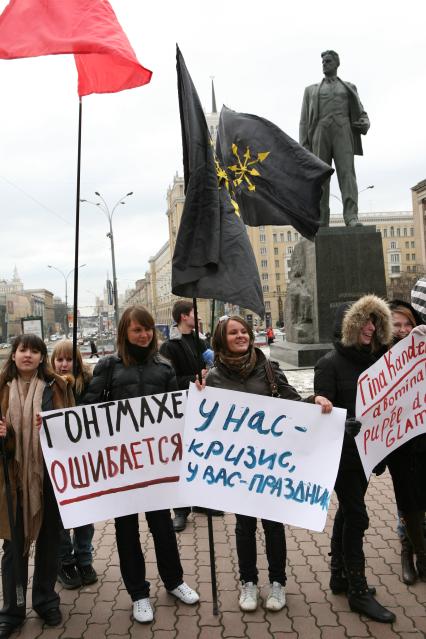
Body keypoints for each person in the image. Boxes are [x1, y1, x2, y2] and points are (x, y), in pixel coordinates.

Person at [204, 315, 333, 612]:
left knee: (274, 525)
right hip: (238, 466)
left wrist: (313, 401)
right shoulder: (213, 378)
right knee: (244, 526)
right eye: (233, 332)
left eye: (243, 331)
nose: (240, 336)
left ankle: (277, 583)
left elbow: (291, 403)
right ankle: (248, 583)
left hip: (271, 465)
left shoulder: (269, 369)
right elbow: (208, 423)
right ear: (221, 340)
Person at [83, 305, 199, 624]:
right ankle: (138, 594)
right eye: (137, 329)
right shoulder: (108, 367)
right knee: (126, 530)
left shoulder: (164, 366)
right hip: (121, 466)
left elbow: (176, 412)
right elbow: (88, 410)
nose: (144, 334)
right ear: (125, 333)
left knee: (162, 526)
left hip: (155, 466)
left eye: (147, 329)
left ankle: (174, 581)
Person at [314, 295, 396, 623]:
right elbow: (321, 410)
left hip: (367, 454)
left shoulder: (379, 361)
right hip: (341, 457)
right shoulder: (328, 364)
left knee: (348, 514)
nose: (371, 327)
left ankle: (339, 576)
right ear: (349, 326)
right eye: (364, 321)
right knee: (358, 517)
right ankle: (358, 591)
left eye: (375, 321)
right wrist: (340, 421)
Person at [0, 334, 74, 638]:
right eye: (22, 350)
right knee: (12, 544)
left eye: (34, 350)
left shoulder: (58, 386)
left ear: (42, 357)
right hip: (11, 477)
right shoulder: (1, 387)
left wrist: (56, 424)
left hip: (49, 476)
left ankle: (46, 601)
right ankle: (13, 609)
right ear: (14, 355)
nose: (27, 355)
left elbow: (74, 427)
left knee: (50, 541)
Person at [160, 300, 222, 532]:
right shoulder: (169, 347)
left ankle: (201, 502)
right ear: (184, 317)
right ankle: (180, 510)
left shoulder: (201, 341)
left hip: (202, 408)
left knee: (201, 455)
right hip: (181, 409)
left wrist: (211, 370)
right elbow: (169, 381)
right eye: (194, 313)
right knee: (181, 459)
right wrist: (195, 377)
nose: (197, 316)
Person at [300, 50, 370, 227]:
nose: (324, 63)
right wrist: (303, 148)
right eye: (323, 61)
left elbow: (361, 113)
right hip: (319, 134)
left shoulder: (349, 88)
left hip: (343, 132)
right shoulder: (311, 91)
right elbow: (303, 122)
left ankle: (351, 217)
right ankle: (322, 219)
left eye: (328, 61)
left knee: (347, 174)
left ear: (337, 64)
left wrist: (365, 123)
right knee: (321, 177)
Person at [50, 340, 97, 589]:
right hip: (57, 464)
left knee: (85, 515)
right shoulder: (46, 386)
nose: (64, 363)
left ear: (77, 362)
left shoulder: (88, 384)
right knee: (60, 517)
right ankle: (64, 562)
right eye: (59, 359)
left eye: (69, 359)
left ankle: (84, 558)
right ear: (53, 362)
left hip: (84, 462)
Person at [386, 301, 426, 585]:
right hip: (398, 443)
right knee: (406, 499)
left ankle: (422, 553)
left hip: (423, 437)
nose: (402, 330)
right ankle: (408, 551)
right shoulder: (379, 358)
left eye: (407, 324)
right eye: (396, 325)